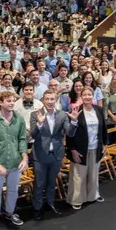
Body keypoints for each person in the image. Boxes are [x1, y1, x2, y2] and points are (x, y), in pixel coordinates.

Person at [0, 91, 28, 230]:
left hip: (15, 161)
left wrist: (25, 157)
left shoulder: (19, 118)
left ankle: (10, 213)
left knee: (13, 190)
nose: (12, 103)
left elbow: (22, 139)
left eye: (13, 100)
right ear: (0, 102)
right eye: (8, 101)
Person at [30, 90, 78, 220]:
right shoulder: (35, 114)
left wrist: (73, 122)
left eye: (52, 99)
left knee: (52, 182)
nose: (50, 102)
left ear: (56, 100)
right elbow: (33, 135)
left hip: (56, 154)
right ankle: (37, 208)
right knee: (39, 183)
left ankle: (50, 204)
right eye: (47, 99)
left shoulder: (62, 115)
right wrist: (39, 124)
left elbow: (70, 133)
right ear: (43, 100)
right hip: (40, 155)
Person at [66, 87, 107, 210]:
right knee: (79, 175)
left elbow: (104, 128)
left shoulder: (98, 110)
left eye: (90, 94)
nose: (87, 97)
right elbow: (70, 133)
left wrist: (105, 144)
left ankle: (93, 195)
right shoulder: (76, 111)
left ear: (93, 96)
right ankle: (77, 199)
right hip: (80, 149)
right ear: (81, 97)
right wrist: (72, 150)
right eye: (85, 95)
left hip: (96, 147)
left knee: (94, 174)